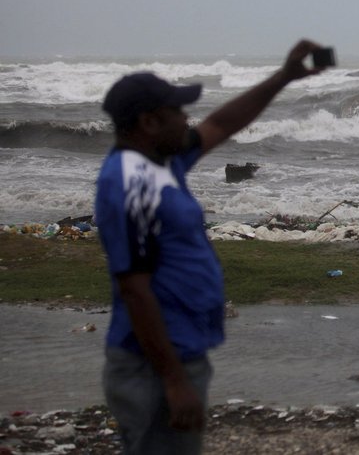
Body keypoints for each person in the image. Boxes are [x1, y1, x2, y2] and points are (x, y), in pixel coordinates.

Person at [94, 39, 327, 454]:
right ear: (149, 122)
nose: (188, 119)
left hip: (178, 355)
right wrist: (173, 381)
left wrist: (284, 77)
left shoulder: (160, 161)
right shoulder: (131, 183)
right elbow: (135, 288)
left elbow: (222, 124)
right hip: (152, 368)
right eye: (178, 112)